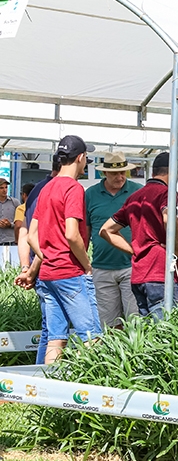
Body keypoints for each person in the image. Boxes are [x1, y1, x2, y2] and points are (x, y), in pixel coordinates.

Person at [28, 135, 101, 364]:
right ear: (80, 158)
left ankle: (44, 393)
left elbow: (31, 236)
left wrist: (46, 256)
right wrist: (86, 264)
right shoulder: (73, 188)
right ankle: (91, 389)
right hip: (70, 273)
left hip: (48, 274)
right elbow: (72, 233)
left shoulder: (46, 188)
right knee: (92, 337)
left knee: (56, 338)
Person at [100, 152, 178, 319]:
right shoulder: (166, 193)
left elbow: (105, 230)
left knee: (148, 332)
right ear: (174, 172)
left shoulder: (134, 197)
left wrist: (135, 249)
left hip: (139, 275)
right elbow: (170, 219)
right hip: (160, 273)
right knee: (170, 330)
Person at [85, 152, 143, 328]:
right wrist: (84, 262)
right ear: (104, 173)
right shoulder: (91, 194)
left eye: (123, 172)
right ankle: (115, 354)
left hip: (132, 265)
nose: (120, 177)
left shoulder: (137, 191)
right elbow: (86, 230)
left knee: (135, 321)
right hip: (102, 267)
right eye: (114, 173)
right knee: (108, 323)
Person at [14, 159, 61, 364]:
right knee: (57, 333)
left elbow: (24, 231)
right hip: (53, 270)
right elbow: (42, 237)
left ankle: (38, 381)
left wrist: (26, 267)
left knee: (49, 329)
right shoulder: (55, 190)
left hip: (41, 270)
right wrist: (32, 269)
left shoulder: (36, 190)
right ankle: (48, 386)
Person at [0, 177, 20, 246]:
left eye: (6, 187)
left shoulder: (15, 202)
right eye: (1, 188)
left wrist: (10, 225)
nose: (4, 190)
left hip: (11, 242)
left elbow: (21, 223)